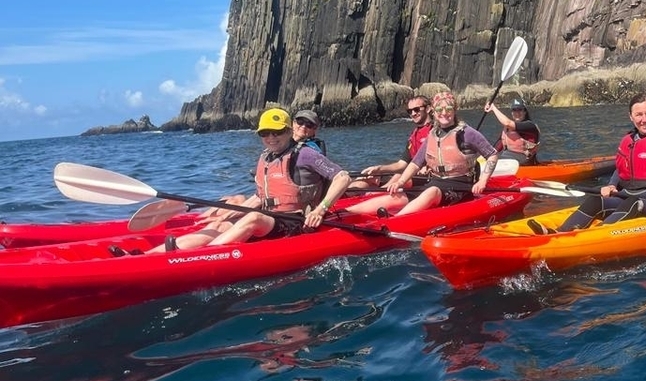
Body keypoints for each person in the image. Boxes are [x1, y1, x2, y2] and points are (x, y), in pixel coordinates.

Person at [147, 108, 351, 252]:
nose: (271, 137)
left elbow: (343, 177)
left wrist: (320, 209)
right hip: (272, 219)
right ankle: (149, 256)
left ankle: (204, 257)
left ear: (289, 131)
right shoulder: (266, 157)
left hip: (296, 221)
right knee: (221, 225)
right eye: (265, 133)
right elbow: (259, 196)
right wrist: (232, 213)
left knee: (254, 218)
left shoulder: (305, 154)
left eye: (277, 132)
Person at [533, 93, 646, 234]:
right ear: (631, 116)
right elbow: (622, 168)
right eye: (639, 114)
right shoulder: (630, 140)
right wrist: (611, 185)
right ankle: (558, 232)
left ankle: (594, 235)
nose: (644, 119)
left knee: (635, 203)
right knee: (596, 200)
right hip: (627, 195)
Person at [346, 91, 500, 217]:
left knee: (431, 192)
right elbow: (415, 163)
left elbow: (492, 154)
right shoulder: (433, 134)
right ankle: (345, 212)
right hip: (436, 181)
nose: (444, 113)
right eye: (440, 109)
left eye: (448, 109)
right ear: (434, 111)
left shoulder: (467, 133)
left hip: (460, 185)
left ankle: (395, 220)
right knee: (397, 196)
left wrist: (482, 181)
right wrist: (400, 182)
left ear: (454, 110)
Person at [349, 94, 433, 190]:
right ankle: (345, 195)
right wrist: (379, 169)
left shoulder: (435, 132)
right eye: (410, 111)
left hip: (426, 178)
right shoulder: (413, 136)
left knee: (398, 176)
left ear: (428, 109)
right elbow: (401, 165)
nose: (413, 114)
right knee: (368, 178)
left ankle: (376, 194)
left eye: (417, 109)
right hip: (410, 174)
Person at [483, 98, 540, 165]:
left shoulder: (530, 126)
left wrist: (493, 108)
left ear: (525, 112)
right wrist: (486, 155)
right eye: (514, 110)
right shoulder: (508, 129)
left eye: (520, 110)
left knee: (492, 160)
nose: (517, 113)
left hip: (523, 160)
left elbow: (507, 123)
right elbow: (498, 147)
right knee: (485, 158)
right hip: (508, 157)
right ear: (512, 112)